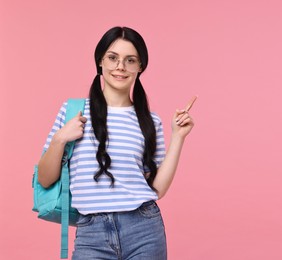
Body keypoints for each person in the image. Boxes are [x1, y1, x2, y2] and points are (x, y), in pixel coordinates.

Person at [37, 26, 195, 260]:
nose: (120, 66)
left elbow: (158, 189)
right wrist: (60, 138)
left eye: (130, 60)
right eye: (113, 58)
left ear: (140, 67)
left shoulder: (150, 121)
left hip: (144, 229)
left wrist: (178, 137)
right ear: (100, 62)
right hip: (91, 232)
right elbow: (45, 178)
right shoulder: (72, 112)